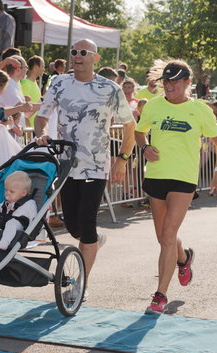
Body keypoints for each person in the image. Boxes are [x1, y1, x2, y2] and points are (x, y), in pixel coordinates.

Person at [35, 39, 136, 301]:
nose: (77, 56)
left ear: (95, 58)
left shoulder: (110, 88)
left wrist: (122, 160)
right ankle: (93, 240)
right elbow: (42, 115)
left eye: (83, 53)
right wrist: (42, 133)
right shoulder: (58, 83)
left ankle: (81, 284)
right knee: (73, 227)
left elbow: (129, 126)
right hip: (67, 165)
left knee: (87, 224)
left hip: (96, 166)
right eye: (74, 52)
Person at [134, 59, 217, 314]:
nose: (169, 84)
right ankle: (183, 258)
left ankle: (160, 295)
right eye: (166, 80)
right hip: (155, 175)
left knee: (167, 235)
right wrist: (144, 147)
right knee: (163, 236)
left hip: (183, 179)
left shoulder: (200, 110)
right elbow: (139, 132)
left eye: (175, 80)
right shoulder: (153, 106)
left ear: (188, 83)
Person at [20, 55, 44, 128]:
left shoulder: (34, 83)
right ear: (36, 67)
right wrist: (28, 130)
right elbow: (23, 111)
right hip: (29, 129)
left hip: (35, 128)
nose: (44, 69)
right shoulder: (25, 83)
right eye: (42, 66)